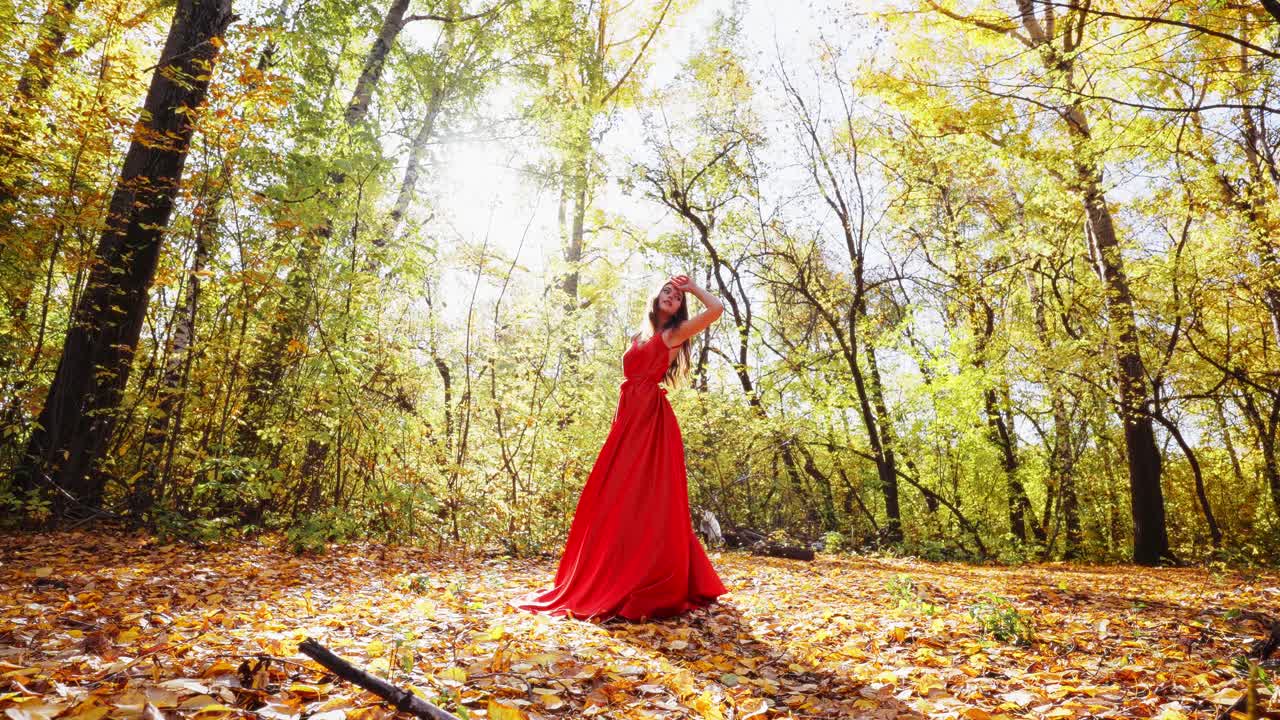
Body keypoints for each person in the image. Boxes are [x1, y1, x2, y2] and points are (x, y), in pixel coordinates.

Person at [512, 274, 728, 621]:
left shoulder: (673, 335)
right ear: (656, 298)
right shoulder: (637, 336)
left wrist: (691, 289)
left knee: (648, 497)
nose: (672, 297)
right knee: (613, 494)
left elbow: (716, 309)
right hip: (628, 419)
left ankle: (649, 574)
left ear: (679, 307)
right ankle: (608, 569)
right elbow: (629, 381)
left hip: (652, 424)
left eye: (677, 296)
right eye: (668, 291)